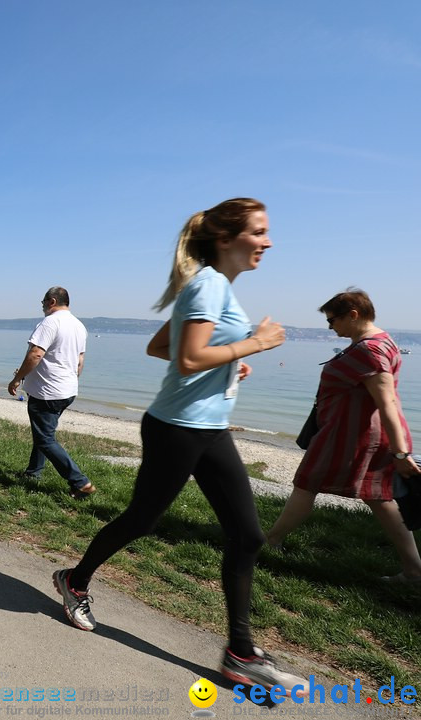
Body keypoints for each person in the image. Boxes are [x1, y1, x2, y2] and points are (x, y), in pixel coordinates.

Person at [52, 198, 304, 693]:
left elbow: (160, 347)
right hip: (177, 428)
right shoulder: (209, 284)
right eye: (259, 232)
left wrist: (228, 361)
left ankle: (239, 653)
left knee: (248, 535)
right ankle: (74, 581)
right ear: (227, 239)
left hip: (207, 428)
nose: (268, 241)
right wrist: (254, 344)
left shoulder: (214, 287)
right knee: (142, 520)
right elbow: (188, 359)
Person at [266, 289, 421, 582]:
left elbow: (387, 401)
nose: (330, 327)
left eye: (332, 320)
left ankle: (271, 540)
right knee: (379, 497)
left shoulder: (370, 350)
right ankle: (414, 570)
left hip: (350, 438)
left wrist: (401, 452)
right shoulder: (378, 342)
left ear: (353, 315)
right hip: (358, 434)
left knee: (306, 484)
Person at [7, 286, 95, 499]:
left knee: (45, 438)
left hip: (47, 392)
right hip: (67, 390)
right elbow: (80, 361)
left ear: (52, 301)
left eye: (43, 302)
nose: (42, 306)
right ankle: (33, 472)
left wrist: (17, 378)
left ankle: (80, 482)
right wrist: (71, 382)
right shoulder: (78, 326)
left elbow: (36, 354)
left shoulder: (50, 322)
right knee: (44, 434)